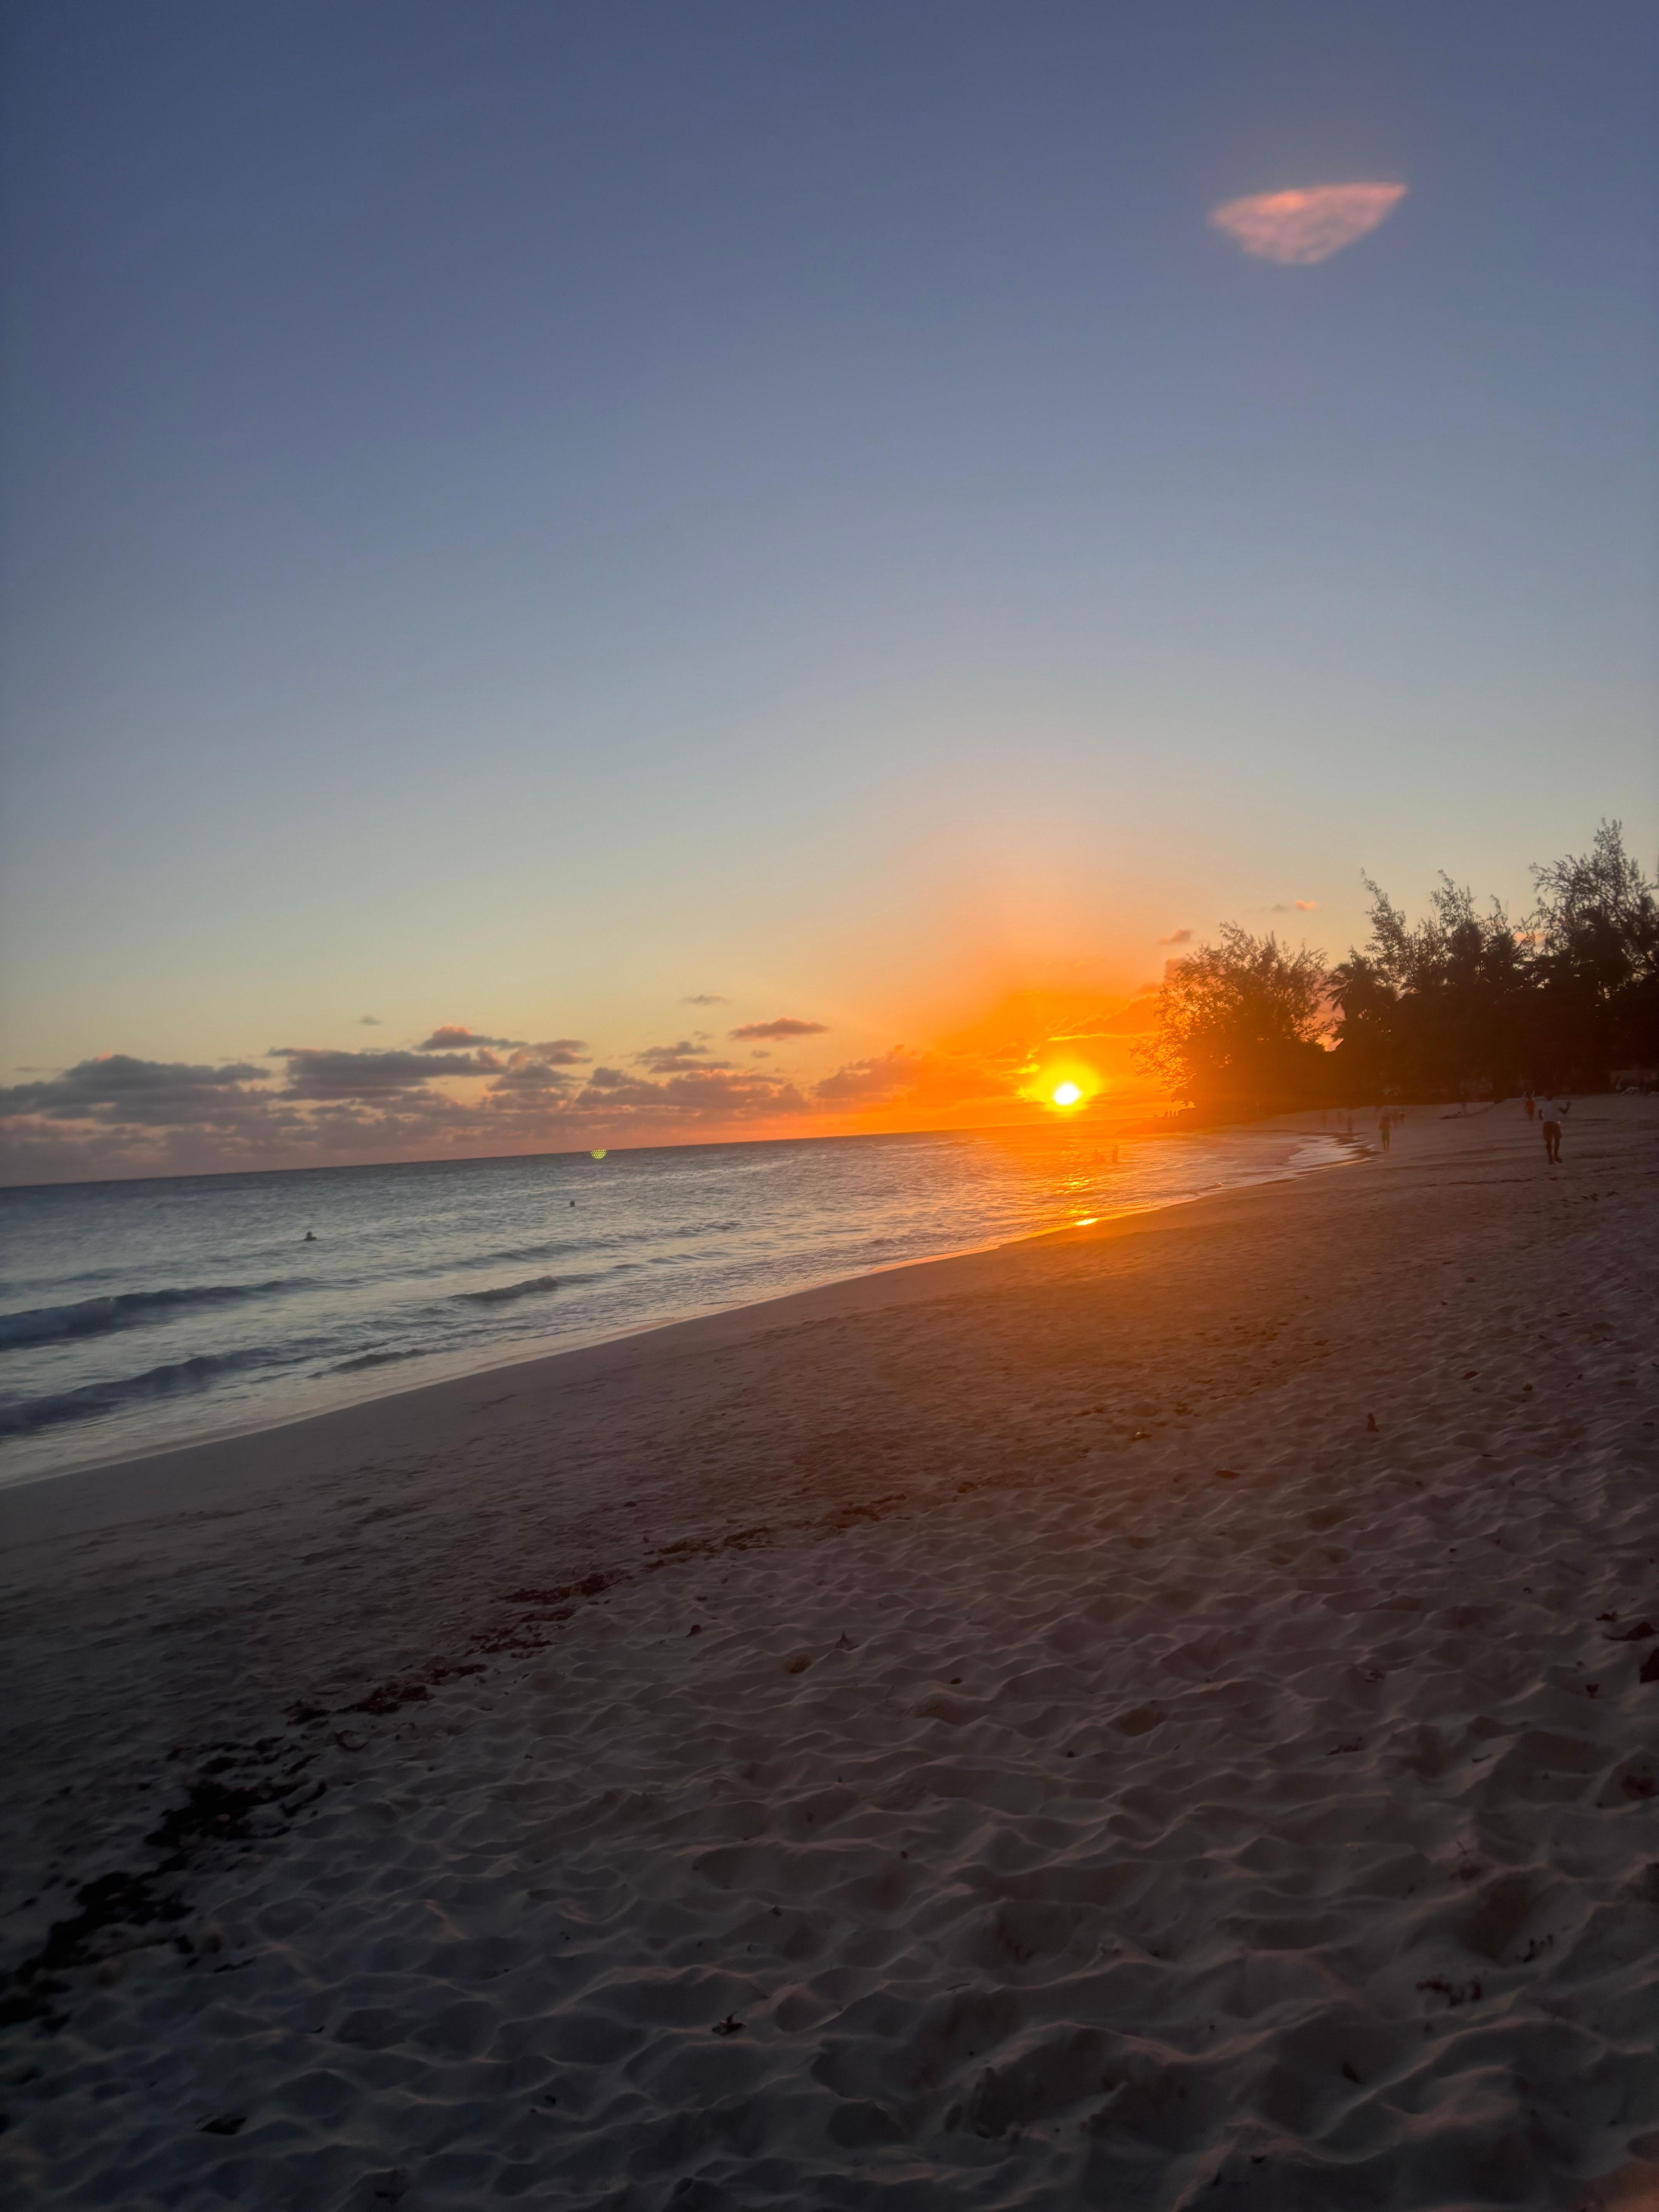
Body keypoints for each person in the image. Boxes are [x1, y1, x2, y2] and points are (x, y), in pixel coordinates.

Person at [1539, 1096, 1568, 1164]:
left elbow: (1540, 1117)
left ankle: (1550, 1158)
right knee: (1557, 1140)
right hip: (1554, 1123)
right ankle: (1555, 1156)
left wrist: (1546, 1117)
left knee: (1549, 1142)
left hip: (1547, 1124)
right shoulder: (1555, 1103)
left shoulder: (1542, 1104)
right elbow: (1564, 1112)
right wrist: (1568, 1106)